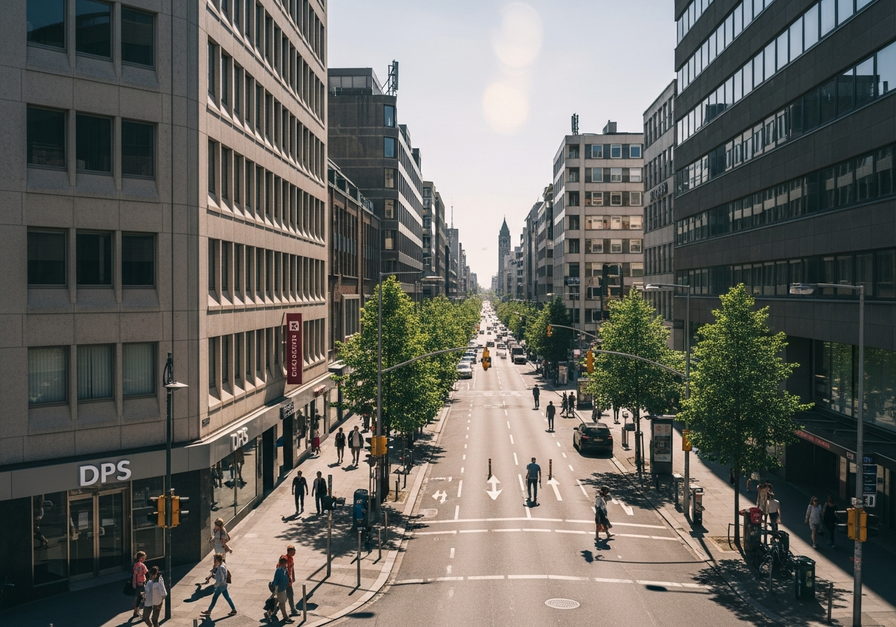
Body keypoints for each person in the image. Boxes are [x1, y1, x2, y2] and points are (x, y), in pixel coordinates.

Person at [200, 553, 236, 618]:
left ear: (217, 560)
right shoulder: (222, 565)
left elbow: (221, 578)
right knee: (227, 597)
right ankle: (233, 610)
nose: (214, 560)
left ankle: (209, 611)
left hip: (221, 585)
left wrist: (216, 583)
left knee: (215, 598)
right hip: (223, 585)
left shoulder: (220, 567)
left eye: (215, 559)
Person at [266, 557, 293, 623]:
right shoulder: (279, 571)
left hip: (282, 588)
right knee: (282, 603)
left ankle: (268, 612)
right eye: (285, 564)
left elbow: (286, 576)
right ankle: (285, 617)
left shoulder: (285, 569)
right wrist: (275, 589)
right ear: (282, 564)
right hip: (280, 589)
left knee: (275, 601)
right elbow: (275, 581)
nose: (286, 565)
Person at [281, 545, 298, 617]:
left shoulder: (291, 558)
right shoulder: (285, 559)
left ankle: (293, 609)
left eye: (294, 550)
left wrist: (293, 576)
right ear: (289, 552)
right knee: (285, 596)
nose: (294, 552)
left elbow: (292, 568)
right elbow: (284, 570)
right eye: (293, 551)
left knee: (288, 595)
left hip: (288, 581)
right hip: (285, 581)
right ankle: (293, 610)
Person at [131, 551, 148, 619]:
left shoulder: (136, 564)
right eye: (143, 558)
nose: (144, 559)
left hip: (138, 582)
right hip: (140, 582)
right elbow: (144, 573)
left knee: (138, 596)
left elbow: (134, 574)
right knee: (140, 597)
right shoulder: (141, 565)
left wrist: (134, 583)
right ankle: (136, 610)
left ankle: (135, 609)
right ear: (140, 558)